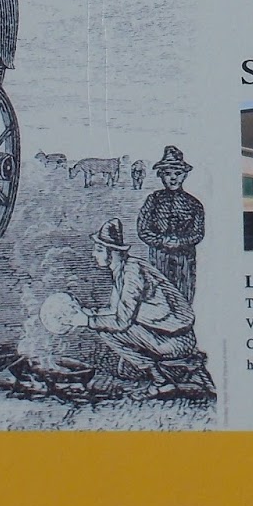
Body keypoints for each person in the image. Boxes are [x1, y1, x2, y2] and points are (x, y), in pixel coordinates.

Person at [78, 218, 211, 397]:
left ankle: (161, 381)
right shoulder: (123, 271)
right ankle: (180, 372)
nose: (94, 254)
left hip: (175, 340)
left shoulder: (132, 273)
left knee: (105, 330)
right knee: (102, 324)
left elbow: (121, 321)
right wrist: (87, 314)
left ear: (113, 253)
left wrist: (87, 320)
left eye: (99, 249)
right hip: (167, 335)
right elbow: (113, 311)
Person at [137, 145, 205, 303]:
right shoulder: (153, 200)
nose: (173, 178)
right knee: (159, 299)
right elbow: (143, 229)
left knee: (183, 299)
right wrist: (162, 241)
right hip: (159, 258)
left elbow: (198, 233)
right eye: (167, 174)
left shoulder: (194, 204)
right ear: (160, 175)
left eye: (178, 173)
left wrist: (180, 242)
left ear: (185, 176)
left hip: (184, 261)